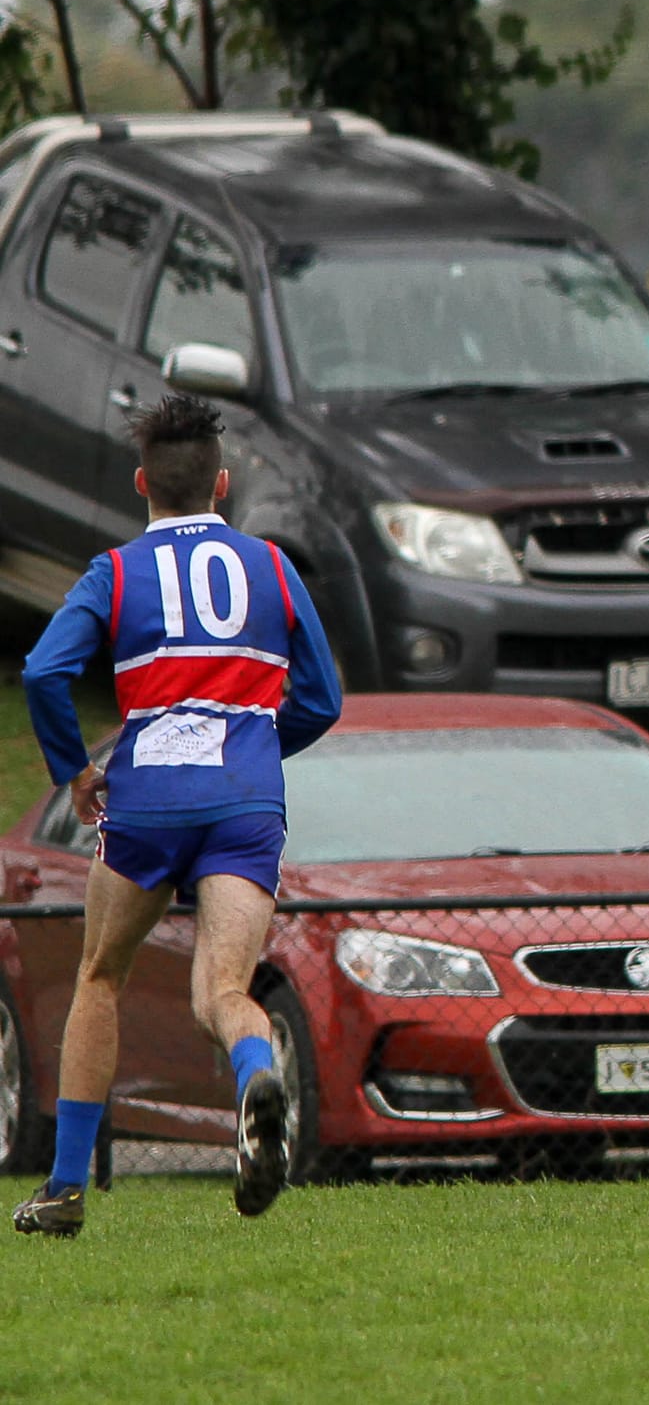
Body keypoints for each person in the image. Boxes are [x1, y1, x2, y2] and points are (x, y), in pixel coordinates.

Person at [14, 396, 342, 1237]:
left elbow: (44, 671)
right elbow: (323, 699)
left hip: (149, 802)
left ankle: (65, 1189)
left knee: (101, 976)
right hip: (244, 803)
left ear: (141, 484)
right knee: (224, 990)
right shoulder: (273, 566)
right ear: (221, 485)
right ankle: (255, 1074)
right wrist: (257, 748)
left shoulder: (117, 572)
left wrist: (75, 773)